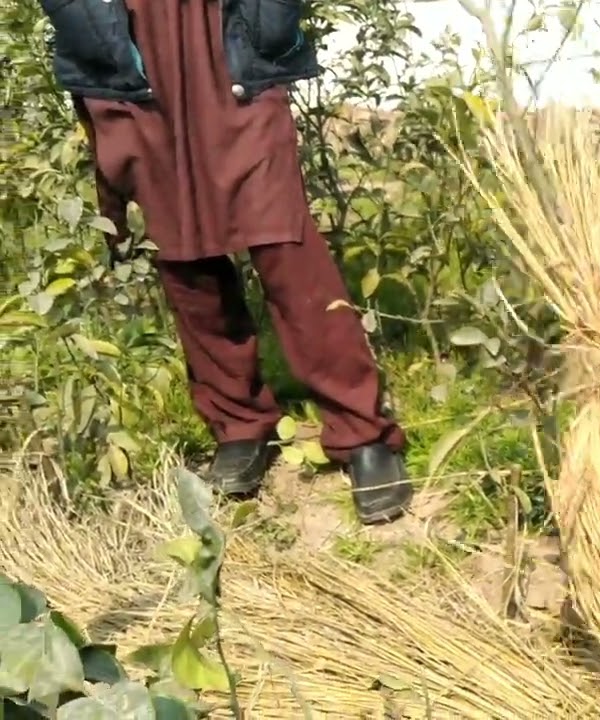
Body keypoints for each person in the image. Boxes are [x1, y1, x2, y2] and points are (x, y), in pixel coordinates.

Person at [40, 0, 412, 524]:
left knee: (285, 244)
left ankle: (361, 429)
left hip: (226, 38)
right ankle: (238, 421)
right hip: (126, 46)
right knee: (178, 248)